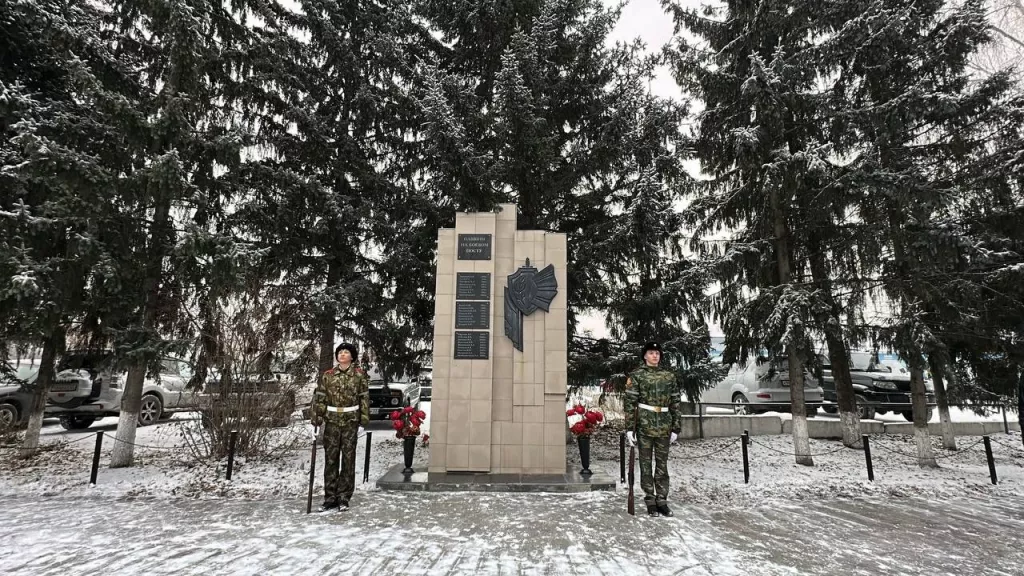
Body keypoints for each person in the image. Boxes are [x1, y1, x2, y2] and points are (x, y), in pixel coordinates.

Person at [624, 341, 682, 517]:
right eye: (651, 352)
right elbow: (629, 403)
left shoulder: (668, 376)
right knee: (646, 464)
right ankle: (650, 500)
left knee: (662, 466)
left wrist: (676, 427)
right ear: (645, 356)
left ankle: (662, 500)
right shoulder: (637, 376)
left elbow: (675, 402)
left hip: (664, 425)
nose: (655, 355)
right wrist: (628, 429)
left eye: (657, 353)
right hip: (644, 425)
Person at [310, 343, 369, 511]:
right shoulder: (328, 376)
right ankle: (330, 497)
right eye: (340, 352)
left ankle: (344, 496)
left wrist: (364, 420)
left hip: (350, 421)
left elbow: (364, 397)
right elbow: (320, 398)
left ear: (352, 356)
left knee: (348, 460)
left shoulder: (359, 376)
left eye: (346, 352)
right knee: (331, 459)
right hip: (332, 421)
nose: (342, 355)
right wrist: (317, 418)